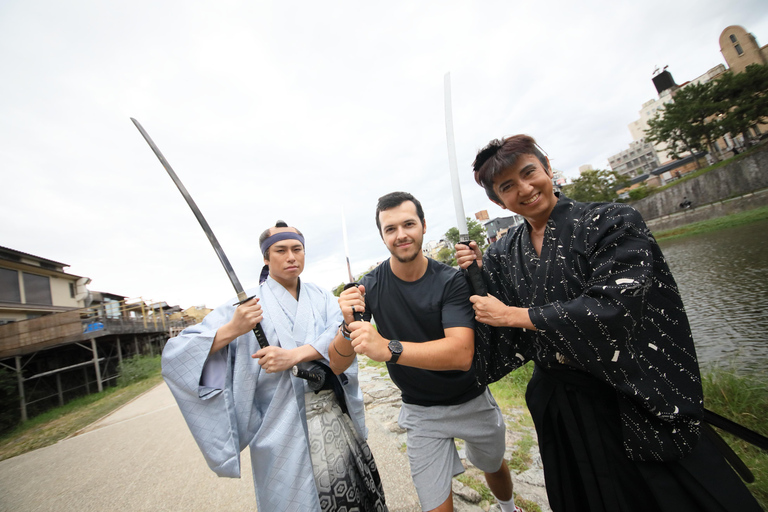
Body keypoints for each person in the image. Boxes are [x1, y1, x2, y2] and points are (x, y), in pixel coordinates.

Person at [456, 134, 762, 512]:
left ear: (548, 168)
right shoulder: (503, 251)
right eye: (507, 186)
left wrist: (517, 315)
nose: (525, 188)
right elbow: (496, 311)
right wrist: (479, 272)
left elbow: (617, 305)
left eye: (529, 172)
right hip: (560, 399)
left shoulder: (611, 220)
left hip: (626, 391)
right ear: (496, 200)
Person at [162, 221, 387, 512]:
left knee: (348, 497)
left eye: (297, 249)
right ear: (266, 259)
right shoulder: (244, 307)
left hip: (330, 415)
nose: (291, 256)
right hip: (278, 427)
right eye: (280, 250)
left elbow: (340, 334)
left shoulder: (322, 299)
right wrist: (233, 329)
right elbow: (177, 355)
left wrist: (292, 356)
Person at [334, 192, 520, 512]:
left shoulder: (451, 281)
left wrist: (388, 348)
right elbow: (338, 363)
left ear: (423, 225)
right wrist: (346, 325)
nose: (401, 234)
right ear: (382, 236)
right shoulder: (370, 287)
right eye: (390, 229)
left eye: (408, 224)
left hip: (471, 398)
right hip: (420, 411)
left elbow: (461, 354)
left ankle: (508, 507)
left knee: (492, 465)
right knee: (434, 504)